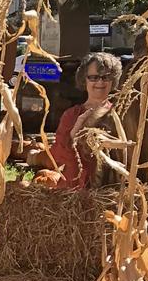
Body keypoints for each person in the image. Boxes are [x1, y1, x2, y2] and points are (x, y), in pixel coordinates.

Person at [48, 52, 121, 188]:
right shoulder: (71, 115)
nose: (100, 82)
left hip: (109, 191)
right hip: (75, 190)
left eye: (106, 77)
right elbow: (57, 157)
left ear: (113, 80)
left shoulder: (120, 115)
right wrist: (74, 133)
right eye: (93, 77)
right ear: (84, 80)